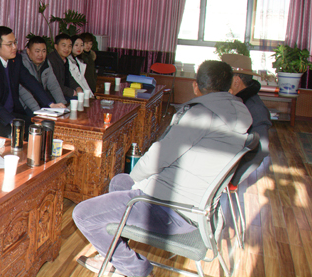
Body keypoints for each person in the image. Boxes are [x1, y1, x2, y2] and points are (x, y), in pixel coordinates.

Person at [73, 60, 251, 277]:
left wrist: (138, 180)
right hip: (196, 204)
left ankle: (133, 268)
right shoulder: (238, 112)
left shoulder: (202, 115)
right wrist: (136, 180)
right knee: (120, 181)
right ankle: (111, 254)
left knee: (83, 214)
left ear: (196, 86)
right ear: (230, 86)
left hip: (171, 209)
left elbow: (159, 157)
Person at [0, 26, 64, 137]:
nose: (14, 47)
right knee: (17, 134)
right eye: (9, 44)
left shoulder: (15, 59)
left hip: (14, 112)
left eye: (15, 42)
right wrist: (11, 120)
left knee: (41, 128)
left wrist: (51, 104)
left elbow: (30, 81)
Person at [222, 54, 272, 178]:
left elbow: (261, 150)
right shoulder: (232, 99)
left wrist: (233, 179)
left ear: (236, 81)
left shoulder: (255, 109)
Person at [19, 36, 68, 114]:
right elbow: (24, 92)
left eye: (43, 51)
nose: (40, 55)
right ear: (28, 51)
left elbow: (54, 85)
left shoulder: (46, 63)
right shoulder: (22, 63)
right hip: (25, 105)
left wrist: (63, 106)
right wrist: (38, 112)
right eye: (37, 51)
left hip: (43, 101)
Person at [47, 33, 83, 99]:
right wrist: (72, 92)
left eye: (69, 46)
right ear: (56, 46)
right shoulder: (51, 60)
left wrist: (78, 87)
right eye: (64, 46)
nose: (67, 49)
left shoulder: (65, 60)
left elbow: (69, 78)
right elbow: (54, 85)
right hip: (52, 96)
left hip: (62, 93)